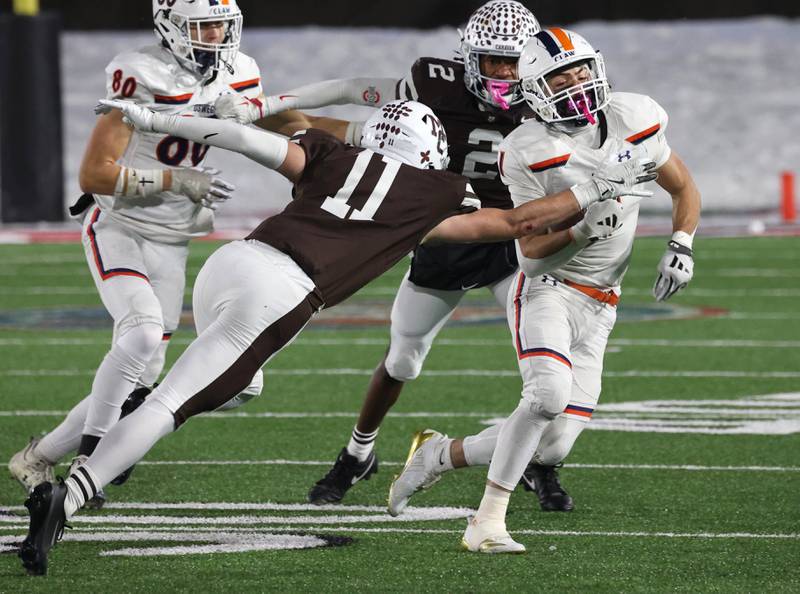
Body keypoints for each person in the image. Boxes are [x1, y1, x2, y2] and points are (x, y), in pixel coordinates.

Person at [17, 95, 656, 575]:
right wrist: (596, 186)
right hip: (281, 293)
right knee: (171, 403)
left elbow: (243, 137)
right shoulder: (438, 191)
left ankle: (98, 433)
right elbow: (519, 222)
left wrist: (150, 118)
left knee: (229, 385)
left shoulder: (334, 156)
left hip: (232, 263)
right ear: (432, 153)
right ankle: (70, 494)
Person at [213, 0, 556, 507]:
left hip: (516, 244)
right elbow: (354, 95)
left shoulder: (549, 93)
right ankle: (358, 453)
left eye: (515, 61)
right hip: (444, 234)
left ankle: (542, 463)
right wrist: (263, 107)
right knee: (403, 359)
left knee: (546, 375)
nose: (507, 74)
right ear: (468, 60)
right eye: (494, 62)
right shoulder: (435, 84)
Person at [7, 0, 341, 508]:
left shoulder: (238, 70)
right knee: (140, 334)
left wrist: (365, 137)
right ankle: (92, 455)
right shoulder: (140, 72)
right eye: (203, 26)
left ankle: (38, 456)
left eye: (222, 25)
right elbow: (95, 174)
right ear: (170, 27)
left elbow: (289, 124)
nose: (215, 37)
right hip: (118, 223)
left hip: (172, 235)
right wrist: (173, 178)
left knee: (142, 377)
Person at [386, 28, 701, 553]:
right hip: (548, 286)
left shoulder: (635, 117)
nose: (576, 82)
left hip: (604, 302)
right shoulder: (529, 147)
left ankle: (439, 455)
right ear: (534, 88)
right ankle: (487, 520)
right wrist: (580, 229)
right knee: (547, 396)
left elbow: (682, 185)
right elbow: (529, 252)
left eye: (581, 69)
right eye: (561, 76)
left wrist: (682, 241)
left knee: (552, 444)